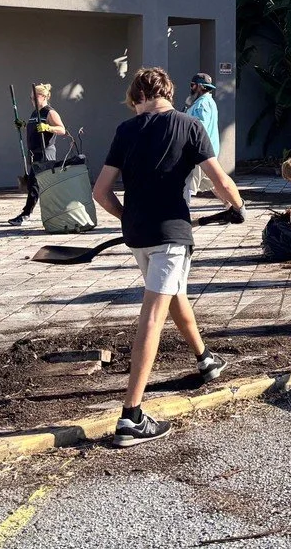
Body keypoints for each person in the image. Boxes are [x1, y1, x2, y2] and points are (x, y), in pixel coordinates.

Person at [90, 67, 246, 447]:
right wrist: (238, 206)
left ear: (138, 96)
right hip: (171, 236)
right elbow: (219, 180)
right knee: (153, 315)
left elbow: (100, 192)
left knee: (174, 295)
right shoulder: (189, 126)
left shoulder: (125, 130)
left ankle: (205, 359)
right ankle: (131, 416)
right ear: (169, 92)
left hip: (138, 237)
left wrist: (128, 217)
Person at [8, 83, 68, 226]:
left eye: (34, 98)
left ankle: (26, 214)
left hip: (45, 153)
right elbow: (33, 129)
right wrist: (22, 125)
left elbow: (62, 129)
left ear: (44, 96)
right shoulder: (35, 113)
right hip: (34, 153)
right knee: (35, 185)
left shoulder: (50, 112)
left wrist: (48, 126)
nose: (32, 101)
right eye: (31, 98)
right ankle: (53, 213)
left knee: (35, 184)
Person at [185, 72, 237, 202]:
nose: (190, 88)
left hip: (199, 152)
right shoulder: (207, 102)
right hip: (208, 151)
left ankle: (182, 215)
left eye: (192, 85)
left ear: (200, 87)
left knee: (187, 185)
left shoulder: (202, 104)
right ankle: (232, 207)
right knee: (214, 184)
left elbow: (199, 127)